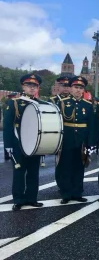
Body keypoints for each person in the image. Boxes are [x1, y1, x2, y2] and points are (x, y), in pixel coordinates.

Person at [3, 74, 46, 211]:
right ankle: (18, 199)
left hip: (35, 143)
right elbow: (8, 126)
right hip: (19, 143)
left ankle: (32, 198)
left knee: (34, 173)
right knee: (19, 173)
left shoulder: (41, 104)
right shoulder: (14, 103)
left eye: (35, 86)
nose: (32, 88)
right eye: (29, 85)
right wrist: (8, 145)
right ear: (23, 86)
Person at [57, 76, 95, 204]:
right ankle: (66, 194)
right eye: (76, 87)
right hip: (67, 139)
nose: (78, 90)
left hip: (81, 140)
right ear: (71, 88)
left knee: (79, 167)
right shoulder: (62, 103)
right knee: (66, 166)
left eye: (81, 88)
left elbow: (91, 126)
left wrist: (90, 143)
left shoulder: (88, 105)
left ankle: (77, 193)